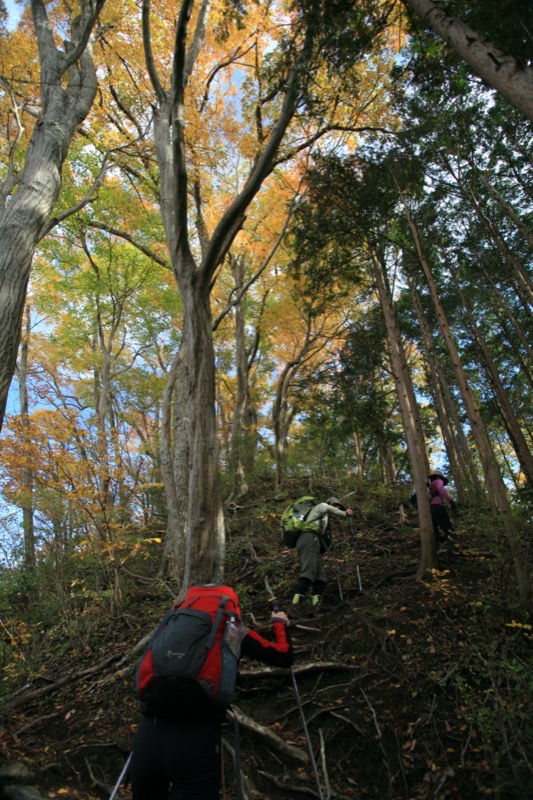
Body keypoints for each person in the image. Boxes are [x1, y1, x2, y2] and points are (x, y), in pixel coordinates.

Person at [129, 587, 293, 800]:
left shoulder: (172, 625)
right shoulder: (233, 630)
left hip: (149, 733)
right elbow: (283, 656)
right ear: (231, 607)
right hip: (196, 738)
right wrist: (280, 624)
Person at [292, 496, 354, 610]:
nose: (337, 509)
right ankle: (295, 604)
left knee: (320, 575)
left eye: (339, 507)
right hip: (308, 537)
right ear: (330, 503)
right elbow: (329, 509)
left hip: (312, 540)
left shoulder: (322, 518)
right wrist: (345, 513)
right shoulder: (322, 506)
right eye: (336, 506)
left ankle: (316, 603)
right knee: (309, 570)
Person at [427, 469, 458, 562]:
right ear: (438, 477)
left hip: (430, 510)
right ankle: (451, 556)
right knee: (450, 531)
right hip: (438, 508)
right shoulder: (438, 481)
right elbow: (441, 489)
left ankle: (434, 558)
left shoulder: (430, 486)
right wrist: (451, 501)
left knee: (435, 534)